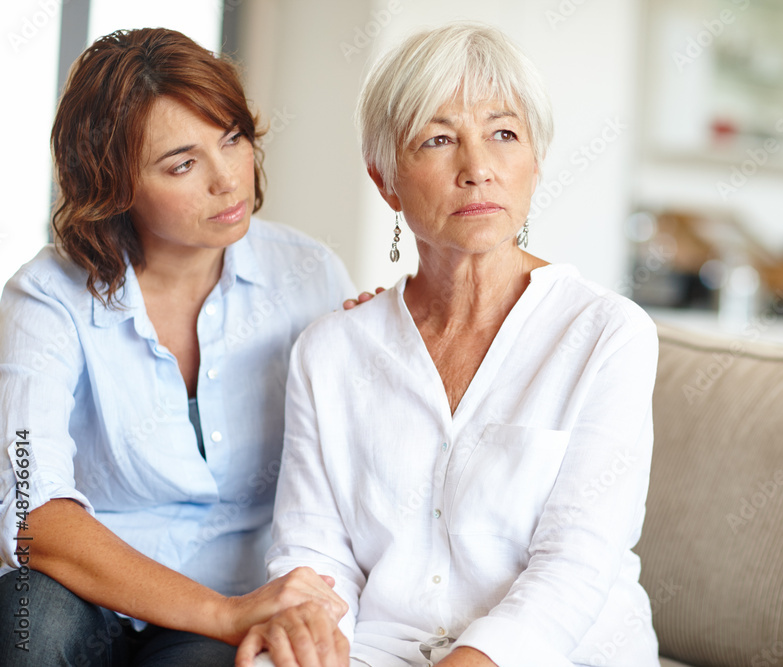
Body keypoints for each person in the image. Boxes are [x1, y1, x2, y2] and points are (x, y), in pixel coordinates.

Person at [238, 22, 660, 667]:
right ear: (386, 181)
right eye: (438, 140)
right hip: (382, 648)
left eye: (503, 134)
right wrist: (308, 640)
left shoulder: (607, 333)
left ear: (536, 161)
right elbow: (314, 549)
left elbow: (577, 560)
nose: (477, 169)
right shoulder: (330, 351)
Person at [0, 28, 355, 666]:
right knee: (25, 624)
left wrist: (382, 351)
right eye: (182, 164)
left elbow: (355, 461)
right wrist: (225, 612)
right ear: (113, 183)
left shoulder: (309, 274)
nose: (228, 181)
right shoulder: (45, 297)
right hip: (91, 590)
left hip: (236, 587)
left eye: (233, 139)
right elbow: (29, 510)